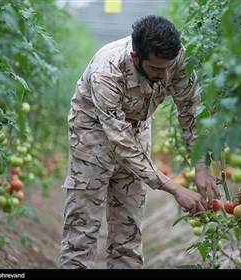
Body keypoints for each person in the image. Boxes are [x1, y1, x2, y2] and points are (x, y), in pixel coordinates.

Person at [58, 14, 220, 269]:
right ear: (136, 57)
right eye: (157, 69)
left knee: (129, 233)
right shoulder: (106, 71)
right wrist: (175, 188)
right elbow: (120, 142)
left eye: (169, 66)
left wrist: (201, 164)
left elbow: (190, 110)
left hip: (138, 127)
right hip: (91, 134)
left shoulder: (175, 57)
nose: (166, 74)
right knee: (82, 232)